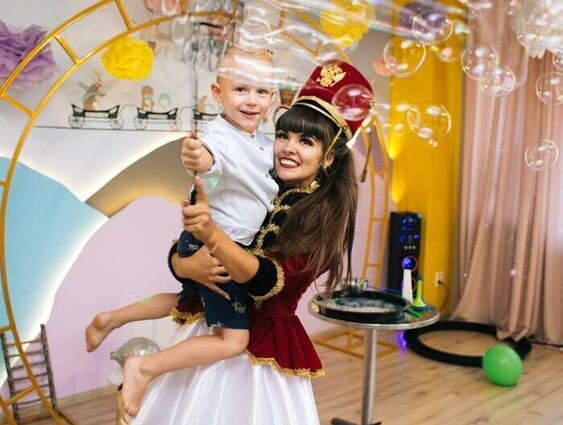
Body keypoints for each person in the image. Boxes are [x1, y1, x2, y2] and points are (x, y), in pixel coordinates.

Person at [130, 60, 372, 425]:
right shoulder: (261, 180)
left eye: (306, 141)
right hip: (211, 329)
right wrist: (183, 264)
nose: (288, 148)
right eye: (283, 135)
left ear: (329, 157)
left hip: (259, 357)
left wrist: (213, 236)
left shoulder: (323, 218)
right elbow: (195, 243)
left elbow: (265, 282)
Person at [84, 46, 278, 416]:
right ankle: (143, 367)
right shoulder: (219, 137)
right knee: (234, 340)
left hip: (207, 244)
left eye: (261, 91)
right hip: (216, 248)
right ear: (218, 93)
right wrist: (197, 157)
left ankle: (113, 318)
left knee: (184, 302)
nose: (251, 100)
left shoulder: (263, 143)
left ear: (272, 97)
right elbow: (207, 160)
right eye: (240, 89)